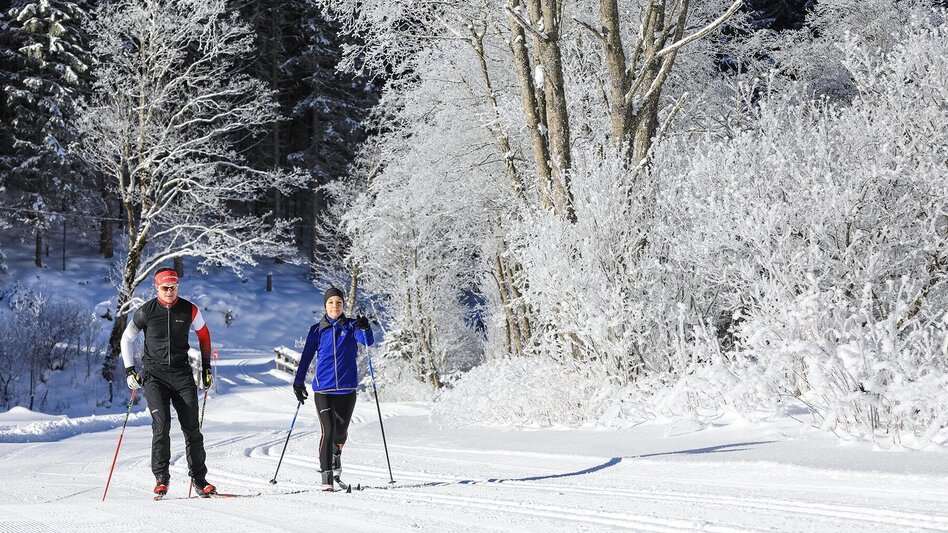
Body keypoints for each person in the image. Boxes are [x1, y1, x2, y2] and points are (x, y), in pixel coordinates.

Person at [120, 267, 216, 498]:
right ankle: (161, 478)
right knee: (161, 426)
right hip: (155, 376)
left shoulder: (189, 309)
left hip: (182, 374)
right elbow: (127, 338)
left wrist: (206, 368)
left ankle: (200, 481)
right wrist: (130, 370)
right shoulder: (146, 312)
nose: (170, 291)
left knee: (192, 428)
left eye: (174, 287)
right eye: (165, 287)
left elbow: (204, 336)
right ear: (157, 287)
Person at [293, 286, 374, 491]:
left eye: (338, 302)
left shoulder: (352, 326)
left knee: (340, 434)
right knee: (327, 431)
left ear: (343, 305)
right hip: (324, 391)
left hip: (347, 390)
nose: (334, 306)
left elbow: (367, 341)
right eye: (330, 302)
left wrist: (366, 327)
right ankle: (326, 478)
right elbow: (306, 358)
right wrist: (298, 382)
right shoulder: (317, 330)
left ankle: (336, 456)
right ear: (325, 306)